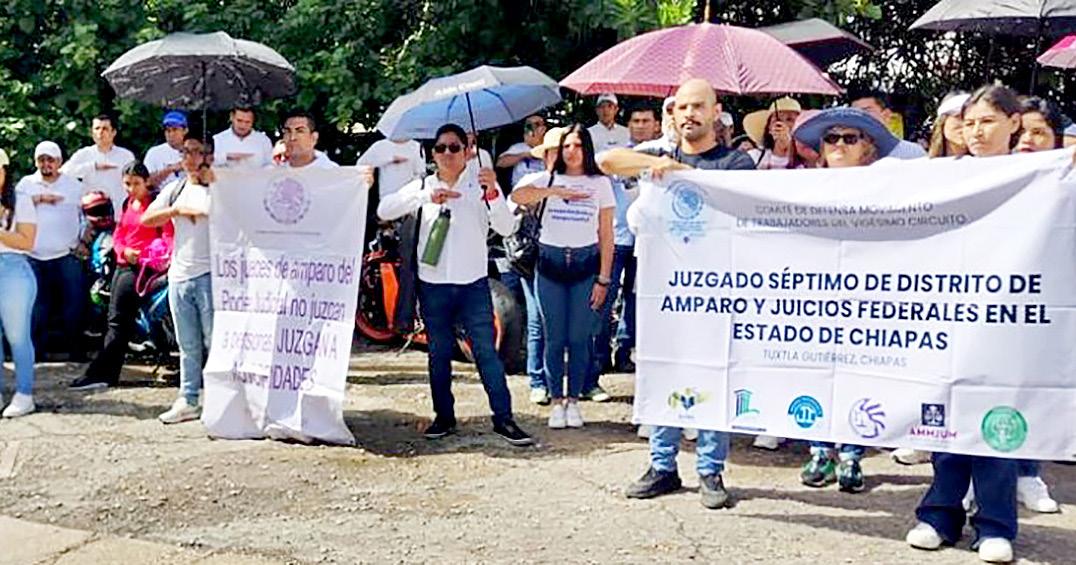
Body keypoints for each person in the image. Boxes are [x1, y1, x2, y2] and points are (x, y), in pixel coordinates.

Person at [601, 78, 755, 509]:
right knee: (663, 371)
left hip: (716, 293)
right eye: (682, 107)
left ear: (716, 111)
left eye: (698, 106)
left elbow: (742, 206)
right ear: (672, 114)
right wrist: (660, 163)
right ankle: (662, 465)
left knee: (714, 375)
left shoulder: (735, 163)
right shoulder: (659, 155)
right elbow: (607, 159)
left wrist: (684, 175)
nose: (689, 114)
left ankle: (710, 469)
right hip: (664, 293)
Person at [905, 85, 1024, 564]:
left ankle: (994, 526)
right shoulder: (944, 176)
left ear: (1014, 123)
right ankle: (939, 516)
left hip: (1006, 320)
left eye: (988, 121)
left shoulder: (1040, 175)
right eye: (969, 122)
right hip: (950, 314)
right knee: (947, 420)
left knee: (998, 423)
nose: (976, 131)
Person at [377, 123, 533, 447]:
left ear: (467, 151)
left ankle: (504, 418)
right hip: (433, 285)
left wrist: (493, 193)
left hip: (472, 284)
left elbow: (506, 228)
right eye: (440, 148)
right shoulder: (423, 185)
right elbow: (384, 209)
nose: (447, 153)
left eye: (454, 147)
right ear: (432, 154)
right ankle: (444, 417)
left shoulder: (480, 184)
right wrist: (425, 196)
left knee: (486, 353)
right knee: (438, 353)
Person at [790, 107, 900, 492]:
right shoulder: (801, 188)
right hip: (815, 297)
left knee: (859, 375)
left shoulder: (886, 187)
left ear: (867, 147)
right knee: (817, 374)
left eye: (849, 138)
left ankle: (852, 454)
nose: (839, 144)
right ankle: (819, 450)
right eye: (831, 138)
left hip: (865, 297)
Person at [511, 125, 614, 429]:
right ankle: (556, 400)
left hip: (585, 265)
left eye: (578, 145)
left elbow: (606, 234)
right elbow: (518, 195)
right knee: (554, 338)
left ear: (587, 149)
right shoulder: (546, 178)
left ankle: (574, 401)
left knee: (579, 338)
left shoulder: (600, 183)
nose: (571, 151)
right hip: (550, 265)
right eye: (566, 146)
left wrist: (604, 278)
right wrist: (554, 191)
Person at [70, 162, 174, 390]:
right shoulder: (128, 202)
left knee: (118, 322)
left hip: (142, 269)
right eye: (127, 184)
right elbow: (120, 234)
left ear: (146, 182)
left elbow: (167, 235)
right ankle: (105, 373)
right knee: (116, 321)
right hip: (124, 263)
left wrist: (147, 256)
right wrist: (123, 251)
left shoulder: (156, 204)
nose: (131, 188)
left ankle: (101, 374)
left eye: (136, 184)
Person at [141, 134, 214, 424]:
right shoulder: (177, 188)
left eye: (197, 152)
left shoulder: (221, 188)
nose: (190, 158)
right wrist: (176, 210)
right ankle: (188, 398)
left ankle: (220, 400)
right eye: (186, 152)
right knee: (187, 344)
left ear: (209, 156)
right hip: (180, 274)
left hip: (211, 275)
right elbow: (147, 218)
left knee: (214, 342)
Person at [18, 141, 85, 362]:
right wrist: (37, 199)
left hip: (67, 254)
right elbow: (12, 212)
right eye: (41, 160)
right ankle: (36, 353)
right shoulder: (26, 184)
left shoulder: (73, 185)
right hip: (33, 255)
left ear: (59, 161)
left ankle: (76, 352)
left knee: (74, 304)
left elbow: (85, 216)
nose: (46, 164)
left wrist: (83, 240)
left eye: (51, 160)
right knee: (37, 307)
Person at [513, 126, 566, 405]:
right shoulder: (533, 180)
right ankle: (537, 380)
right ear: (545, 155)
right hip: (534, 259)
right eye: (555, 151)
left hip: (566, 260)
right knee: (537, 320)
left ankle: (558, 380)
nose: (561, 156)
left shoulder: (581, 183)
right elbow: (511, 209)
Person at [0, 148, 39, 418]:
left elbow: (27, 241)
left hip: (13, 270)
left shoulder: (21, 199)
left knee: (17, 336)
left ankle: (25, 394)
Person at [60, 114, 136, 220]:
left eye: (105, 129)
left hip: (119, 215)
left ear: (113, 132)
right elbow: (63, 172)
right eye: (97, 128)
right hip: (91, 216)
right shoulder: (84, 154)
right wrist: (93, 166)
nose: (100, 132)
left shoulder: (126, 156)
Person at [849, 90, 927, 160]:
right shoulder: (846, 155)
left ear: (886, 114)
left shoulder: (912, 153)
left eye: (867, 111)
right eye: (854, 113)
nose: (860, 117)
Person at [743, 97, 802, 169]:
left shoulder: (807, 159)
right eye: (777, 120)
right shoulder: (754, 157)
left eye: (789, 119)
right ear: (769, 128)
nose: (783, 124)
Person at [495, 115, 548, 187]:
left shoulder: (549, 147)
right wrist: (524, 155)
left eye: (535, 125)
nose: (528, 129)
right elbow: (500, 163)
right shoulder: (519, 147)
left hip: (543, 188)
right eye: (528, 126)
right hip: (521, 187)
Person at [145, 111, 189, 188]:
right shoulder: (154, 153)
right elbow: (147, 183)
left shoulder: (194, 151)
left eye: (175, 129)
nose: (171, 134)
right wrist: (170, 169)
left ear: (185, 131)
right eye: (168, 130)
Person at [925, 92, 970, 159]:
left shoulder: (983, 162)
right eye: (958, 116)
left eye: (970, 120)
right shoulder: (924, 164)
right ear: (943, 122)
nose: (965, 124)